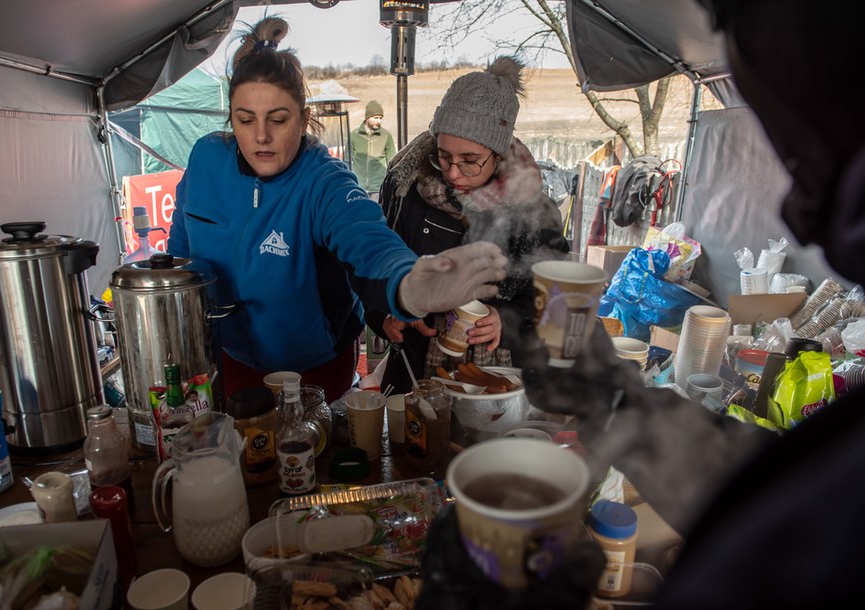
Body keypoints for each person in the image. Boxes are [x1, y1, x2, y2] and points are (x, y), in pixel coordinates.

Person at [419, 1, 865, 608]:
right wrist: (610, 398)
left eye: (809, 162)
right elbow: (777, 487)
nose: (792, 214)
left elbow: (797, 530)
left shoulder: (535, 210)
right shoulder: (414, 185)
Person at [167, 17, 508, 403]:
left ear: (304, 118)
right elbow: (180, 258)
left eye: (278, 120)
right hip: (228, 359)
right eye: (246, 120)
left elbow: (369, 242)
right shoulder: (207, 160)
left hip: (314, 368)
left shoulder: (324, 181)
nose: (261, 136)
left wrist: (413, 282)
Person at [365, 57, 569, 395]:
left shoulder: (532, 208)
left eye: (470, 161)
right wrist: (388, 311)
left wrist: (506, 320)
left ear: (498, 154)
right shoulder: (405, 190)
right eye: (443, 156)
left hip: (496, 376)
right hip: (415, 370)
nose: (453, 172)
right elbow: (374, 260)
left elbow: (555, 291)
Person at [350, 100, 395, 200]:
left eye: (380, 118)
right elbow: (346, 161)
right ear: (367, 117)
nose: (378, 121)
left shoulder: (386, 136)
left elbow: (392, 162)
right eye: (376, 118)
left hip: (378, 188)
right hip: (358, 187)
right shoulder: (353, 136)